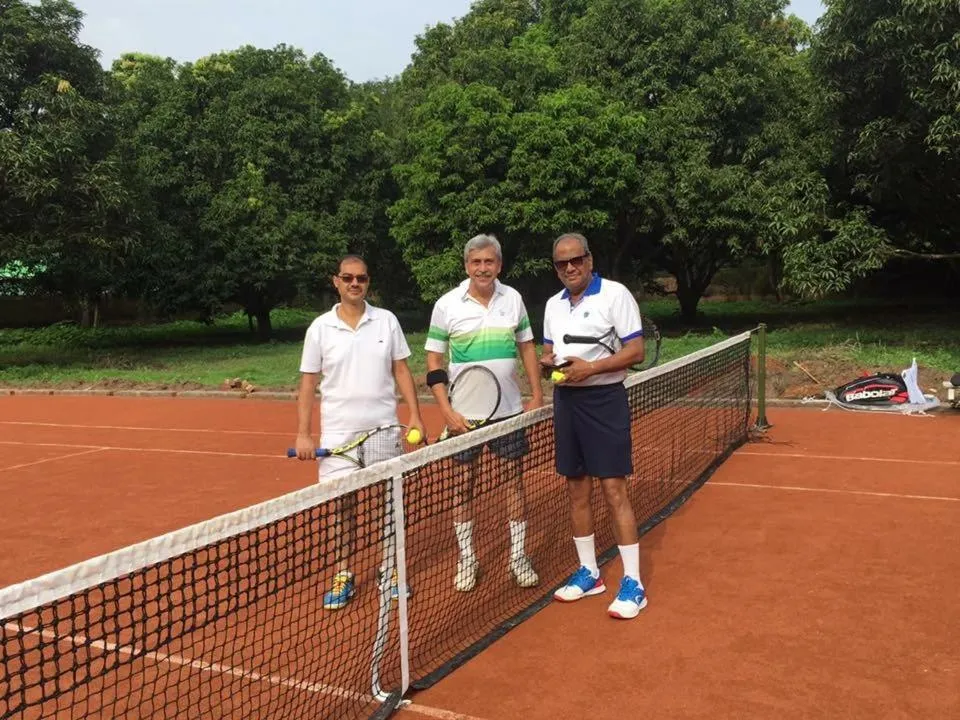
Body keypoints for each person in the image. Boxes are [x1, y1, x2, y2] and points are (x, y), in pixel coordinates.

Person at [295, 254, 426, 610]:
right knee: (342, 507)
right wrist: (304, 434)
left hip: (384, 428)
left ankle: (390, 568)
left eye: (361, 278)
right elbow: (308, 383)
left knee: (389, 502)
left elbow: (402, 371)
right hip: (338, 435)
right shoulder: (320, 328)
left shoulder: (386, 321)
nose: (355, 283)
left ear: (368, 282)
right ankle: (343, 572)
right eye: (348, 278)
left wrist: (415, 416)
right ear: (336, 281)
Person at [424, 233, 543, 592]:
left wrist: (537, 394)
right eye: (476, 262)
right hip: (464, 417)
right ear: (466, 266)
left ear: (499, 265)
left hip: (508, 413)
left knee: (514, 483)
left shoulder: (513, 299)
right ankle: (467, 559)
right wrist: (446, 411)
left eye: (489, 261)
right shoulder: (447, 304)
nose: (482, 268)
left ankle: (518, 557)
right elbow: (434, 361)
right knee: (462, 486)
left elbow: (527, 347)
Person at [539, 232, 648, 619]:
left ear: (589, 259)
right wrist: (549, 363)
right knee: (576, 489)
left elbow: (636, 351)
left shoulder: (616, 295)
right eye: (561, 263)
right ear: (556, 268)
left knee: (614, 490)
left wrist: (592, 369)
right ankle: (590, 572)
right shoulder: (552, 305)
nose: (570, 268)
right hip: (566, 402)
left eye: (576, 260)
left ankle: (633, 583)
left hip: (605, 401)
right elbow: (549, 350)